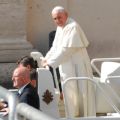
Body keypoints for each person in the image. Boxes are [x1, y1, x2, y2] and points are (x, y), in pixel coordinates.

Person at [41, 6, 96, 117]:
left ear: (66, 15)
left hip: (78, 66)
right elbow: (55, 47)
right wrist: (46, 58)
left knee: (81, 92)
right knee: (69, 92)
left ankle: (84, 116)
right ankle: (71, 115)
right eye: (55, 19)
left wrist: (51, 62)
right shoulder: (61, 27)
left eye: (59, 17)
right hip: (66, 66)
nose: (57, 21)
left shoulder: (73, 26)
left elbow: (67, 50)